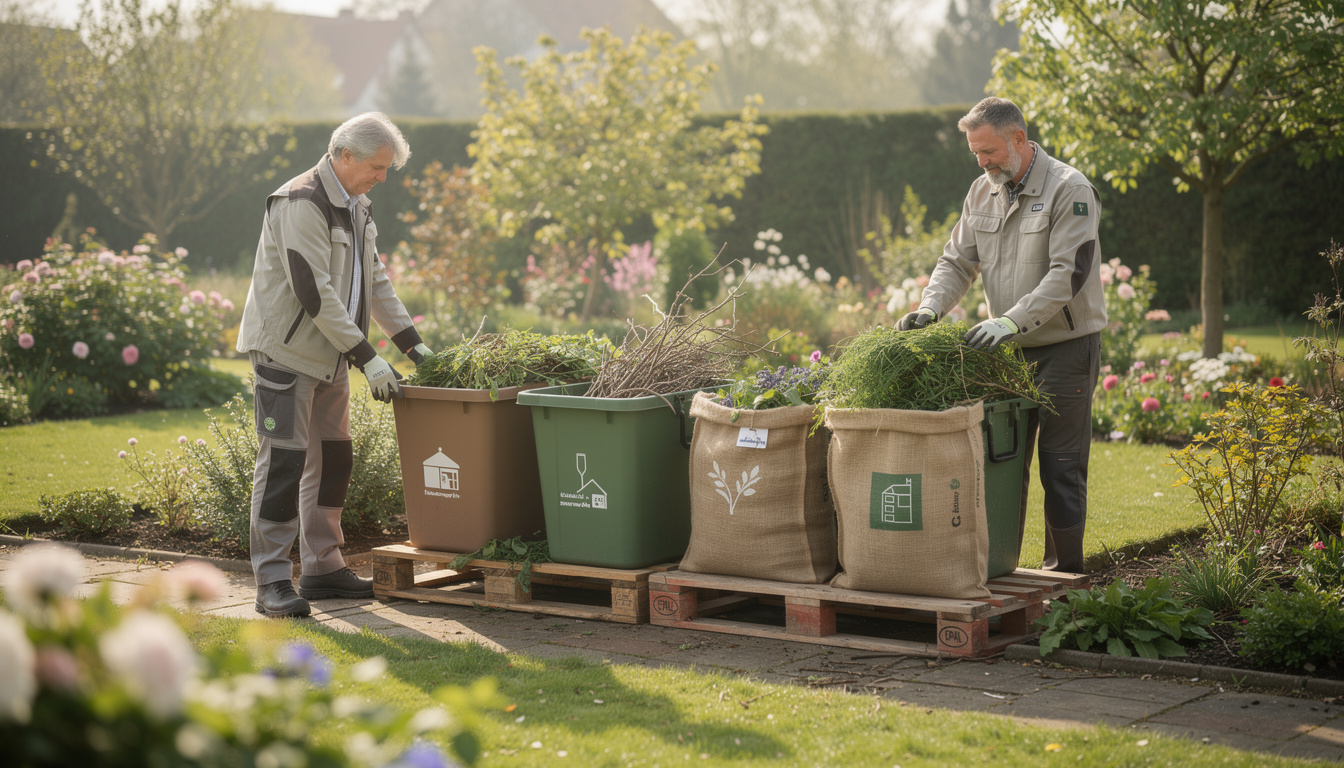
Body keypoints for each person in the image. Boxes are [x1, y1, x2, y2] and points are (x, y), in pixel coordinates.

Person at [896, 97, 1106, 573]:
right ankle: (1000, 568)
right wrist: (931, 308)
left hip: (1065, 349)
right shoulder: (981, 191)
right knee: (1002, 465)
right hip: (1007, 353)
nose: (981, 162)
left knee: (1061, 465)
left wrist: (1010, 320)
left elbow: (1068, 274)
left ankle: (1064, 578)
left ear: (1017, 139)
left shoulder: (1069, 189)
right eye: (975, 152)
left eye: (988, 151)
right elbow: (956, 261)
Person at [236, 112, 433, 617]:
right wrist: (369, 358)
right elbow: (314, 294)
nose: (383, 178)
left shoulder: (356, 206)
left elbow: (375, 282)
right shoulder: (301, 202)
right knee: (284, 462)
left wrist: (415, 348)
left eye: (387, 168)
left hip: (331, 356)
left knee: (334, 460)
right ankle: (273, 581)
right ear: (344, 155)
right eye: (377, 166)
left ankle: (322, 567)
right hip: (286, 353)